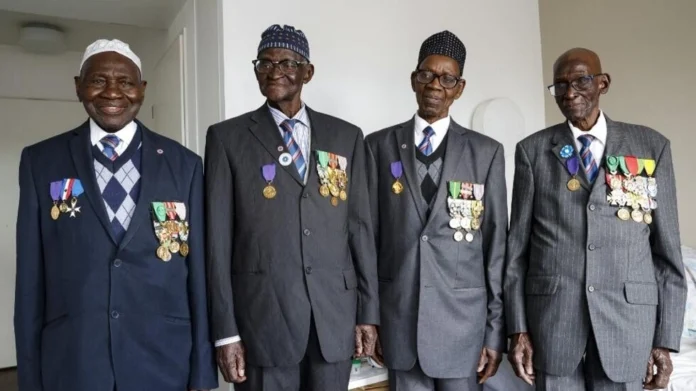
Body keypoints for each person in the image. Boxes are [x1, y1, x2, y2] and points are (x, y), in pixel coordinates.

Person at [14, 39, 217, 391]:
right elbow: (29, 280)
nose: (112, 92)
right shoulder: (40, 162)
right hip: (74, 361)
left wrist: (202, 371)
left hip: (164, 360)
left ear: (142, 90)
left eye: (125, 82)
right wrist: (30, 379)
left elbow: (198, 275)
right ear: (78, 86)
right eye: (97, 80)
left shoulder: (184, 165)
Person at [205, 24, 379, 391]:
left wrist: (368, 313)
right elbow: (216, 243)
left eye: (286, 62)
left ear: (307, 72)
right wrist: (225, 333)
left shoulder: (346, 136)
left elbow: (359, 230)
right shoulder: (227, 138)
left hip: (333, 319)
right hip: (263, 320)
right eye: (264, 63)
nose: (274, 71)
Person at [504, 47, 686, 391]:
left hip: (627, 324)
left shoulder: (650, 146)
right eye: (560, 85)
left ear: (603, 83)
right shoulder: (532, 151)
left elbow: (668, 254)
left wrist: (665, 339)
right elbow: (517, 254)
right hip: (554, 323)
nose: (570, 93)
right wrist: (518, 329)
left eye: (581, 81)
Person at [365, 30, 507, 391]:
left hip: (463, 327)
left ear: (459, 88)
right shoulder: (378, 146)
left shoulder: (486, 152)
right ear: (414, 79)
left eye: (447, 78)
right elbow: (367, 238)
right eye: (427, 75)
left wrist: (494, 332)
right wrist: (370, 318)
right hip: (400, 322)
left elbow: (495, 249)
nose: (435, 86)